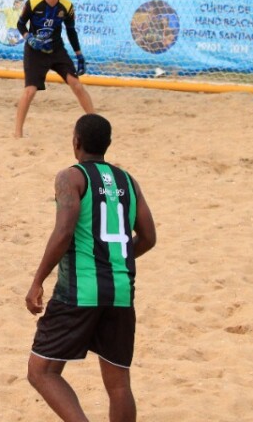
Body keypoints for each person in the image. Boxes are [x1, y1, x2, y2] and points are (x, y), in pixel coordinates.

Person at [25, 113, 157, 422]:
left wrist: (38, 280)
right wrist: (114, 260)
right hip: (121, 291)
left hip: (79, 291)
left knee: (41, 371)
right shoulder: (128, 181)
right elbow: (149, 237)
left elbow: (63, 232)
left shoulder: (70, 177)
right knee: (119, 384)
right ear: (107, 145)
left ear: (76, 142)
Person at [15, 0, 94, 138]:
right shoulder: (33, 3)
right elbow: (20, 24)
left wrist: (79, 55)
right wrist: (29, 38)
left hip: (56, 50)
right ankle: (17, 132)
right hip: (35, 52)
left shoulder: (66, 6)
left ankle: (94, 122)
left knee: (76, 84)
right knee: (30, 91)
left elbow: (71, 31)